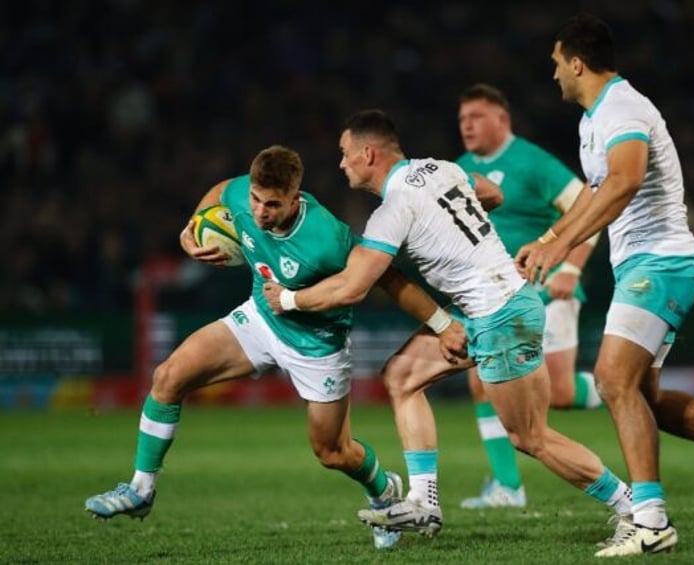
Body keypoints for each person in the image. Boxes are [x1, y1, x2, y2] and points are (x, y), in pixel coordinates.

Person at [261, 110, 634, 545]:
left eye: (345, 155)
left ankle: (633, 507)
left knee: (530, 437)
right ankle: (424, 502)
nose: (341, 164)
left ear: (368, 154)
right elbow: (490, 192)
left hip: (501, 316)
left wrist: (288, 300)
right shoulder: (445, 168)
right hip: (487, 307)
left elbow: (352, 288)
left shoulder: (393, 209)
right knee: (402, 376)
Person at [84, 145, 467, 551]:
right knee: (168, 377)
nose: (260, 212)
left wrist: (443, 326)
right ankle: (141, 490)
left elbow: (391, 280)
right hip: (261, 321)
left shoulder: (327, 238)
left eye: (272, 204)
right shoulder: (241, 197)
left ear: (295, 197)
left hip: (318, 347)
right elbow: (220, 191)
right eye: (255, 200)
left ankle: (383, 490)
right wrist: (190, 226)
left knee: (333, 452)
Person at [515, 14, 694, 556]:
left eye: (555, 64)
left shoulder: (622, 107)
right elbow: (598, 195)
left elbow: (625, 180)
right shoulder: (592, 120)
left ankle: (650, 519)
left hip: (661, 263)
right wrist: (552, 237)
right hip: (641, 265)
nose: (553, 76)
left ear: (576, 62)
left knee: (611, 380)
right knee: (645, 399)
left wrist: (560, 247)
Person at [455, 83, 603, 510]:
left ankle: (619, 386)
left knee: (557, 393)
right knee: (482, 384)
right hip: (492, 300)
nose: (467, 125)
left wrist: (571, 268)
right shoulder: (460, 170)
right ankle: (508, 487)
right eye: (463, 119)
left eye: (476, 117)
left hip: (547, 287)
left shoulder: (532, 162)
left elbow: (589, 207)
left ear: (502, 119)